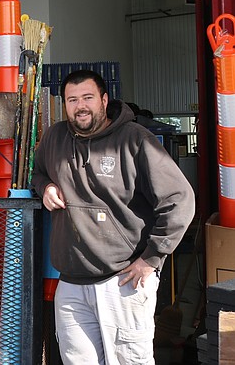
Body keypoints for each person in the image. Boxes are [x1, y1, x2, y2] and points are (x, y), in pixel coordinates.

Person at [32, 70, 194, 364]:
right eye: (72, 100)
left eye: (88, 98)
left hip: (122, 281)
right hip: (70, 284)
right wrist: (46, 187)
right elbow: (38, 171)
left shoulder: (135, 140)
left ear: (104, 100)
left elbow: (179, 200)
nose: (80, 106)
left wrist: (152, 258)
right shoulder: (55, 137)